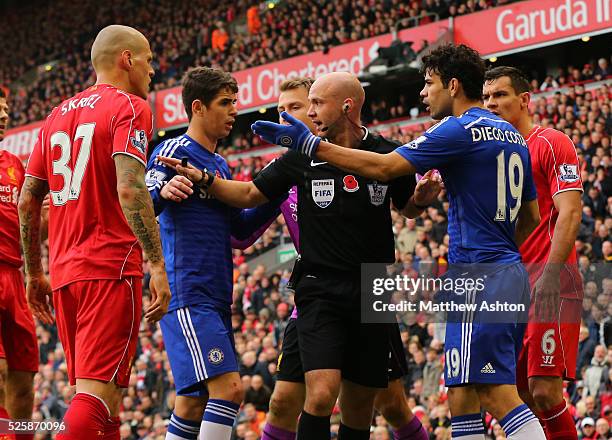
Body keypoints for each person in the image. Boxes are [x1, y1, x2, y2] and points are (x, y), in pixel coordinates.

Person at [251, 44, 545, 439]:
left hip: (479, 272)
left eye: (429, 84)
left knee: (495, 393)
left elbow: (385, 167)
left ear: (453, 86)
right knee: (460, 394)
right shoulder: (511, 134)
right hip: (501, 268)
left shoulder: (458, 128)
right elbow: (530, 219)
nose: (423, 94)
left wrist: (311, 145)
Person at [158, 72, 439, 439]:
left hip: (374, 284)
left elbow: (407, 206)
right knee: (312, 395)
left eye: (307, 105)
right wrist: (205, 180)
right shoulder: (296, 161)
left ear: (344, 106)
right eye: (285, 109)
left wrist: (420, 198)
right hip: (318, 286)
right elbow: (247, 200)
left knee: (376, 404)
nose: (296, 115)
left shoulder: (385, 153)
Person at [18, 25, 171, 440]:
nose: (153, 70)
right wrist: (156, 262)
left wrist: (34, 273)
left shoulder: (55, 115)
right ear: (127, 59)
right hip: (110, 265)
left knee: (109, 399)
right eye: (149, 59)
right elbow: (130, 185)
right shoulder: (130, 105)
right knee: (95, 399)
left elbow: (28, 199)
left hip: (65, 273)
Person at [145, 66, 286, 440]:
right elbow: (140, 205)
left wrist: (276, 190)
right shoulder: (174, 150)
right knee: (230, 391)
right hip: (188, 292)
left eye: (235, 102)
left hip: (217, 295)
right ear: (198, 107)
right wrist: (162, 191)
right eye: (225, 103)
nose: (234, 111)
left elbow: (240, 233)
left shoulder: (220, 165)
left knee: (191, 401)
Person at [483, 66, 584, 440]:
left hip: (551, 282)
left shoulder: (551, 142)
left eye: (501, 95)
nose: (492, 104)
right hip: (509, 287)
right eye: (487, 97)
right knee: (518, 397)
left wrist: (552, 277)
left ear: (524, 100)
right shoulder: (492, 154)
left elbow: (571, 210)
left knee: (544, 390)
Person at [0, 88, 38, 440]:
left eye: (6, 109)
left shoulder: (13, 164)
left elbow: (31, 222)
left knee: (24, 379)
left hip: (15, 274)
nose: (4, 115)